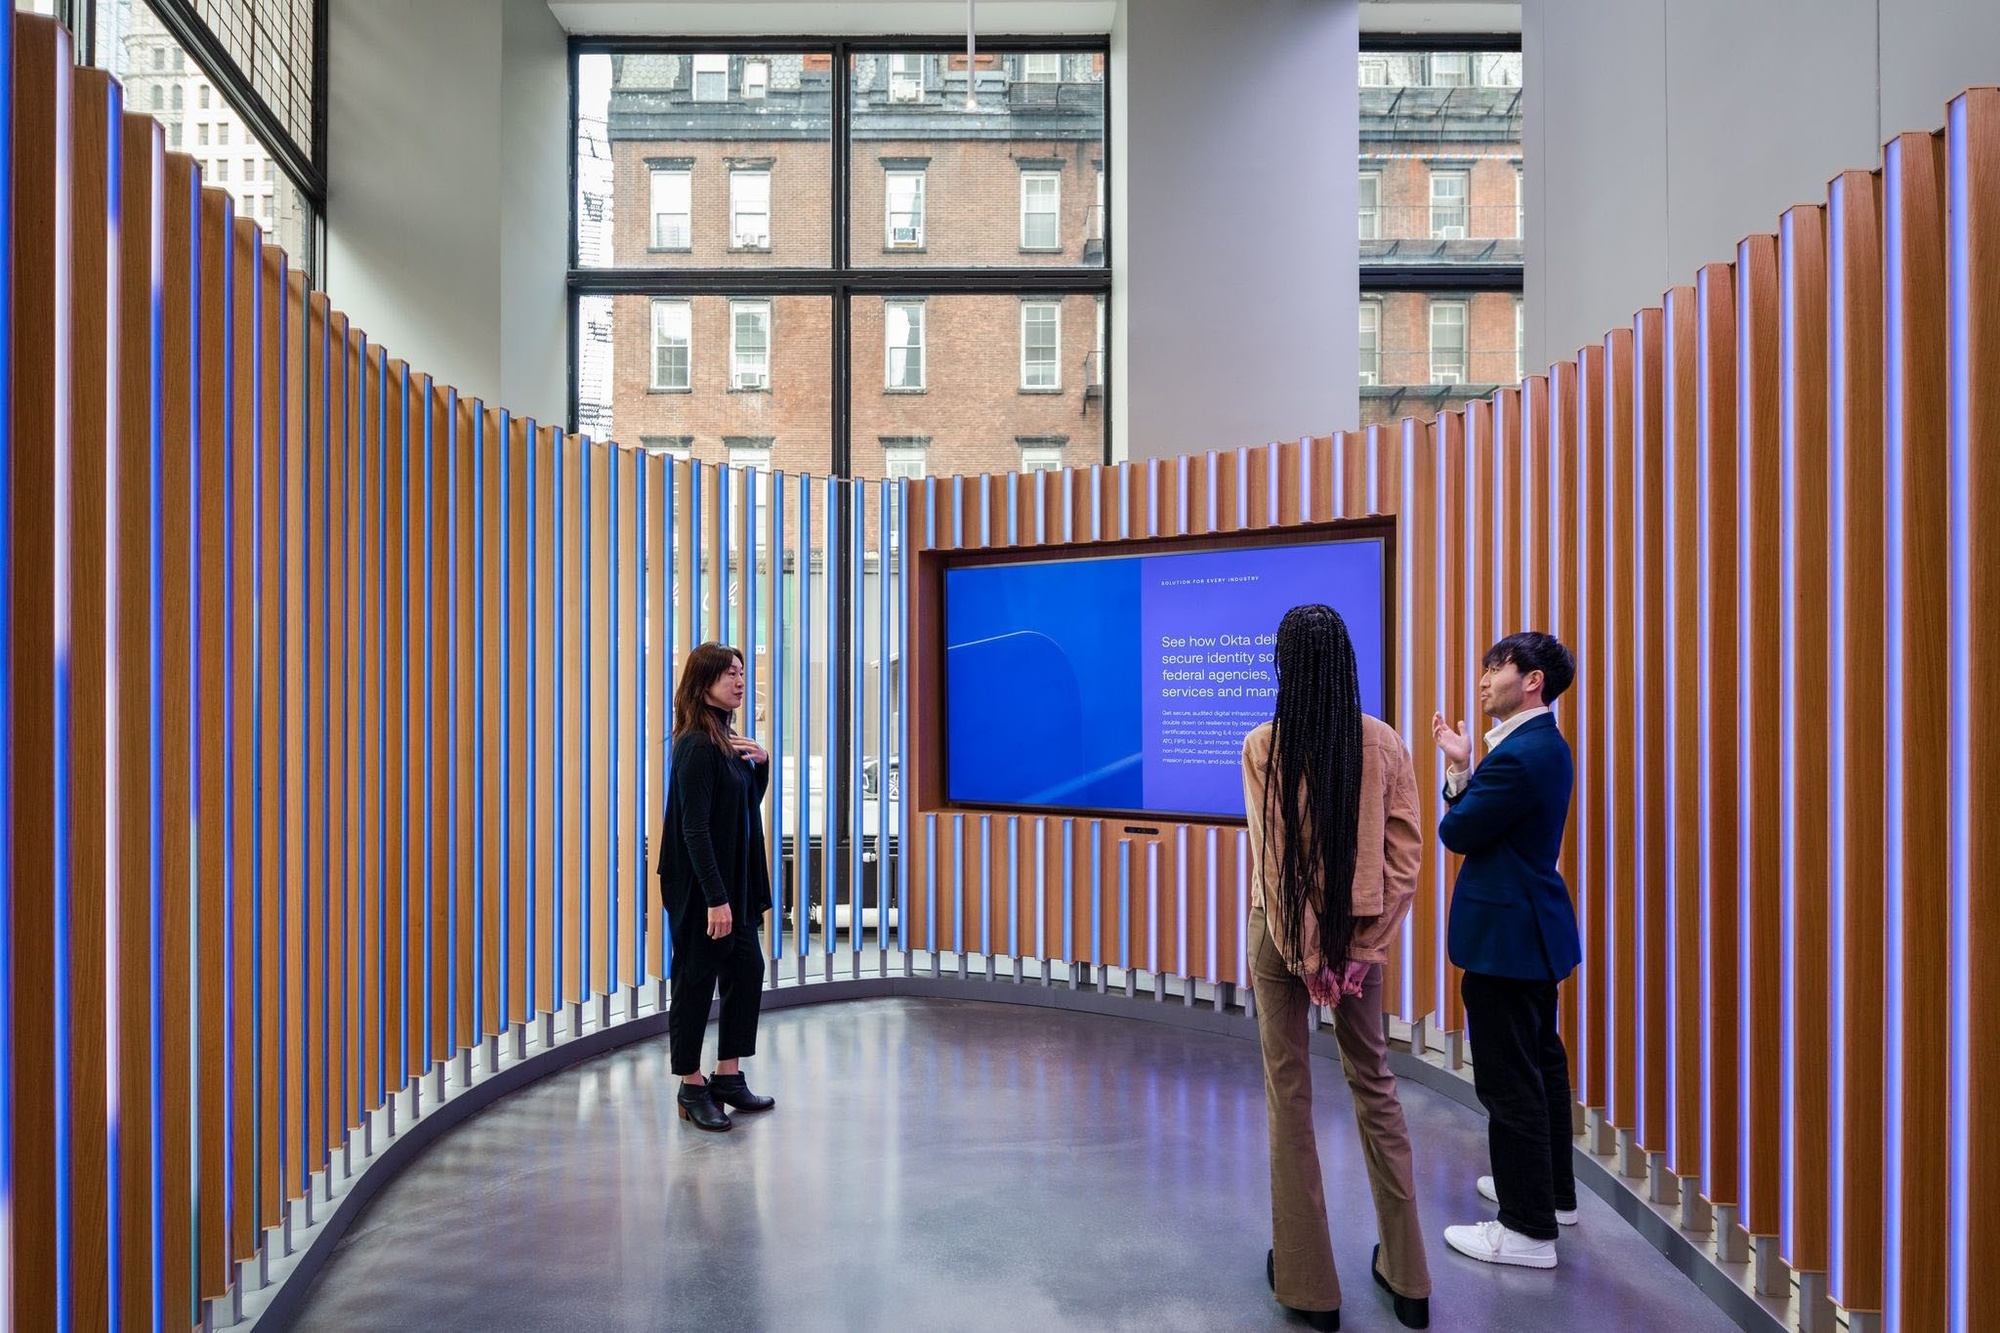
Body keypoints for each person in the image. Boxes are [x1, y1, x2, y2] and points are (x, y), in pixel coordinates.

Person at [1245, 604, 1433, 1333]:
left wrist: (1307, 958)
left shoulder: (1266, 744)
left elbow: (1272, 862)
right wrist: (1359, 952)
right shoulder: (1384, 742)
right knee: (1376, 1083)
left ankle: (1308, 1285)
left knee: (1288, 1093)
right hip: (1359, 946)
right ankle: (1410, 1277)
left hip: (1283, 942)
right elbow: (1405, 860)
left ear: (1285, 664)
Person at [1431, 631, 1581, 1269]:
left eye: (1496, 668)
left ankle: (1524, 1229)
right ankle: (1550, 1195)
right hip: (1530, 937)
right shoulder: (1540, 745)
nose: (1484, 680)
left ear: (1532, 681)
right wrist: (1469, 764)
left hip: (1506, 943)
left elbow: (1456, 829)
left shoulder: (1522, 754)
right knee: (1540, 1066)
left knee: (1509, 1081)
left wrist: (1459, 772)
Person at [658, 641, 777, 1133]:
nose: (740, 681)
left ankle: (728, 1077)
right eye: (729, 673)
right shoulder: (695, 745)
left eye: (743, 673)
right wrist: (715, 898)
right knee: (695, 983)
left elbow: (745, 806)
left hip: (736, 884)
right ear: (702, 681)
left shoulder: (728, 742)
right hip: (704, 890)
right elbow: (694, 828)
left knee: (746, 971)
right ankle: (691, 1085)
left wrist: (762, 764)